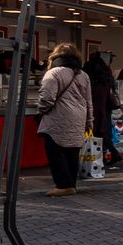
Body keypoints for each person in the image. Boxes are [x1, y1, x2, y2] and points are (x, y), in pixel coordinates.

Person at [37, 43, 94, 196]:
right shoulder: (83, 75)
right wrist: (89, 122)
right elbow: (89, 101)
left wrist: (41, 109)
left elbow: (47, 98)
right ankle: (71, 184)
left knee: (56, 151)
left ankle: (62, 185)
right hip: (79, 119)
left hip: (58, 117)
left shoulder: (53, 73)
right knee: (72, 152)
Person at [83, 50, 123, 170]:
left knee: (96, 132)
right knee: (103, 132)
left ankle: (104, 156)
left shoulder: (90, 78)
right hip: (106, 108)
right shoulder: (106, 77)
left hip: (95, 108)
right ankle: (106, 155)